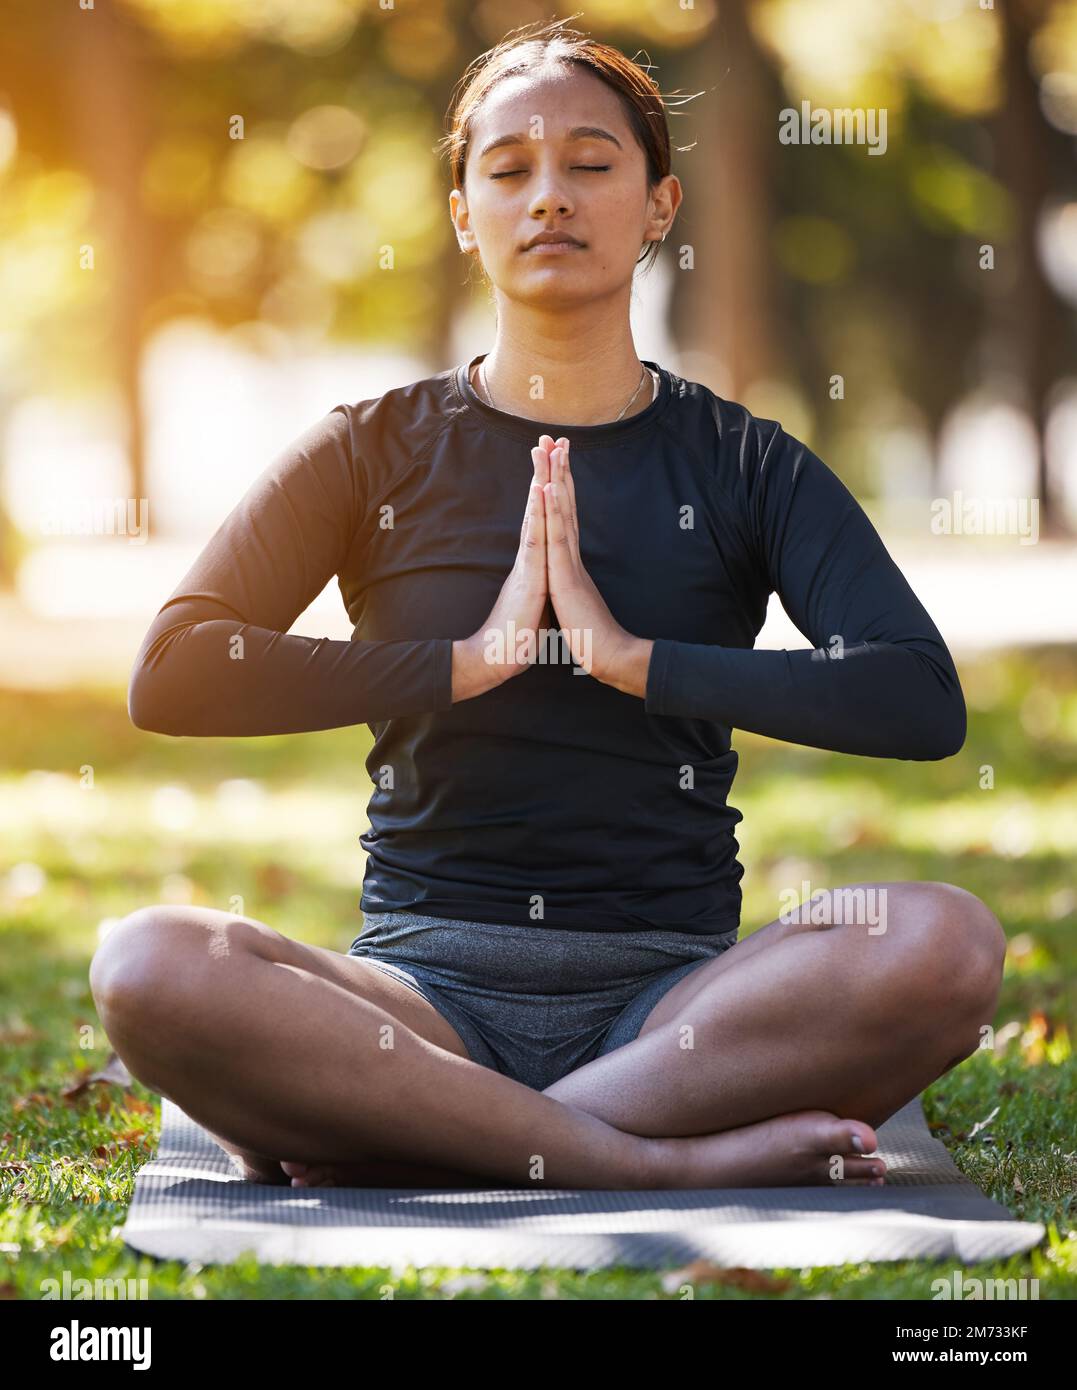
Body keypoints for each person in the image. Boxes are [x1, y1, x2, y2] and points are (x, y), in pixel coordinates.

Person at [88, 20, 1006, 1192]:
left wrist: (638, 660)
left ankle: (430, 1133)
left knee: (942, 938)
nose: (550, 198)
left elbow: (918, 696)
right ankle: (639, 1162)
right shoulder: (370, 450)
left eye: (591, 162)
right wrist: (460, 663)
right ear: (465, 215)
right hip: (418, 1005)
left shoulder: (744, 463)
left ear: (660, 204)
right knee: (152, 961)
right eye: (509, 170)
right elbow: (175, 668)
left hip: (678, 1020)